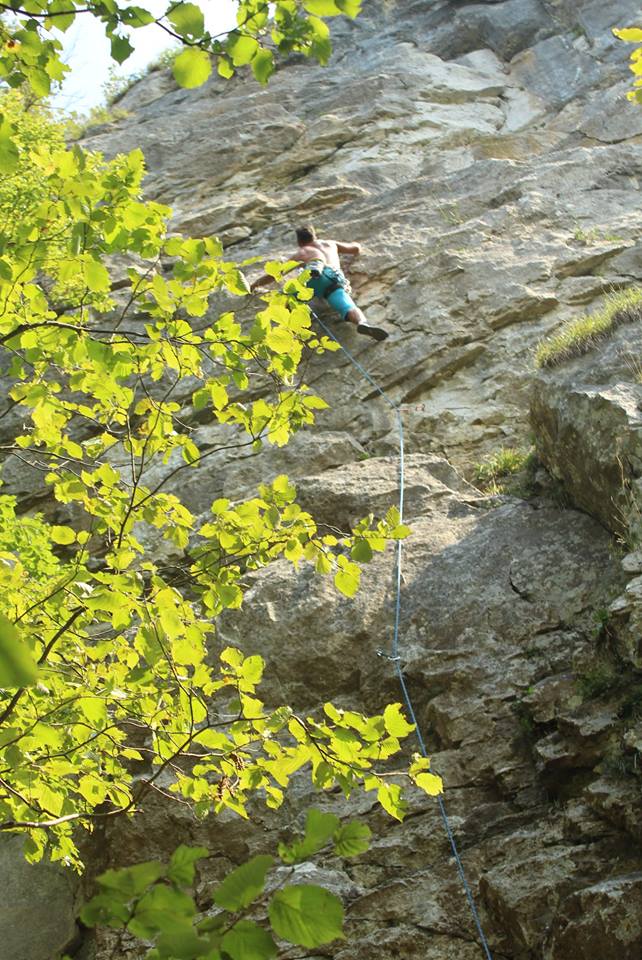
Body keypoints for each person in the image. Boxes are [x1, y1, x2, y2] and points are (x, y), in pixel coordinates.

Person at [250, 225, 389, 341]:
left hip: (312, 280)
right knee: (347, 306)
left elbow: (276, 274)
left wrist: (255, 284)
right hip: (334, 278)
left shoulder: (302, 252)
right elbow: (355, 249)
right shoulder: (330, 244)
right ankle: (361, 322)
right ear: (314, 236)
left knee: (289, 299)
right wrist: (357, 246)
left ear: (299, 242)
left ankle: (294, 329)